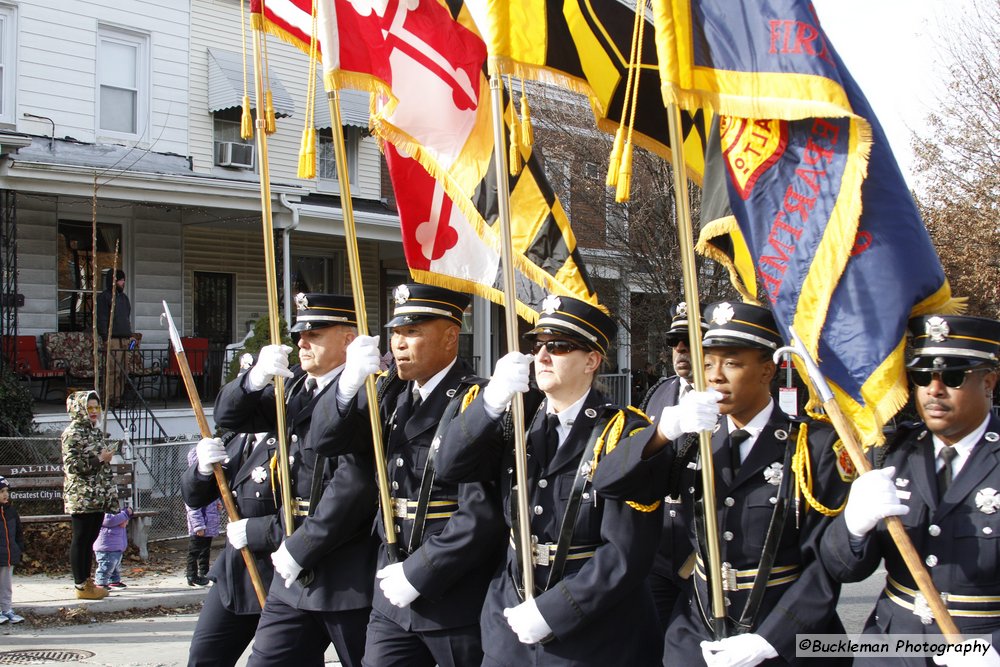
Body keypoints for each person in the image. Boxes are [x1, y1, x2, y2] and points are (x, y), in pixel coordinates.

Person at [593, 301, 852, 666]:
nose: (715, 375)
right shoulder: (692, 436)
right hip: (697, 630)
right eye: (709, 361)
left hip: (786, 634)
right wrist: (661, 433)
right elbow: (610, 484)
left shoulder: (812, 447)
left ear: (767, 369)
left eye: (731, 362)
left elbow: (824, 567)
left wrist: (769, 639)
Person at [435, 294, 663, 666]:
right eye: (538, 345)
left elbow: (626, 553)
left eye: (558, 347)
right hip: (508, 627)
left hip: (592, 636)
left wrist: (555, 611)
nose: (541, 356)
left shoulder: (623, 433)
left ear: (591, 360)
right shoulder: (515, 420)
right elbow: (450, 466)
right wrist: (491, 400)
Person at [311, 283, 505, 667]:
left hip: (453, 596)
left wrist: (419, 573)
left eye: (412, 331)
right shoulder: (389, 395)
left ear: (451, 336)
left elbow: (480, 513)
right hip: (391, 596)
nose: (398, 343)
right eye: (395, 332)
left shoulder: (477, 402)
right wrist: (347, 388)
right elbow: (324, 440)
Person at [820, 314, 1000, 667]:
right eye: (922, 377)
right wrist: (853, 528)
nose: (934, 389)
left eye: (953, 376)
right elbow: (843, 569)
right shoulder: (891, 453)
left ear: (989, 381)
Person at [213, 293, 377, 667]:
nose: (301, 342)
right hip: (292, 577)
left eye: (315, 333)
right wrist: (253, 380)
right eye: (300, 333)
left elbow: (354, 483)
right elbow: (230, 417)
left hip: (346, 573)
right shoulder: (295, 390)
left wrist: (299, 547)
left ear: (349, 339)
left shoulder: (367, 390)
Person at [182, 430, 281, 667]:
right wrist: (202, 470)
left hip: (281, 573)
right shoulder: (235, 438)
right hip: (236, 572)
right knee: (203, 657)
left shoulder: (293, 434)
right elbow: (194, 497)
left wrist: (259, 530)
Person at [638, 301, 706, 636]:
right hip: (659, 549)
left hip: (705, 555)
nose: (679, 348)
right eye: (673, 342)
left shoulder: (728, 398)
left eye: (689, 339)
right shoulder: (659, 393)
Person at [61, 390, 118, 600]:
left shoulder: (94, 432)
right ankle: (80, 584)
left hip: (98, 494)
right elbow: (72, 465)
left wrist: (106, 457)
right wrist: (100, 459)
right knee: (82, 538)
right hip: (82, 495)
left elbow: (99, 458)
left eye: (96, 407)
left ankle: (88, 581)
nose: (94, 412)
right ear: (79, 410)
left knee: (92, 538)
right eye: (89, 408)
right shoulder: (72, 433)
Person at [96, 269, 133, 407]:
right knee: (112, 370)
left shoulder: (124, 299)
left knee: (123, 370)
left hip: (125, 339)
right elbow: (102, 319)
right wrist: (105, 338)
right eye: (121, 280)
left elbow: (127, 315)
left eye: (123, 280)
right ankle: (108, 398)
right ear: (114, 281)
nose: (123, 283)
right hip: (112, 339)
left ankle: (118, 398)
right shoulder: (104, 297)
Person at [183, 449, 221, 587]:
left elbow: (212, 498)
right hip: (199, 526)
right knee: (194, 551)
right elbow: (193, 507)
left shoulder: (209, 481)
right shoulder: (193, 483)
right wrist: (199, 526)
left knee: (205, 549)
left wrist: (218, 504)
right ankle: (191, 574)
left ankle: (204, 572)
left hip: (209, 523)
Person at [0, 476, 26, 625]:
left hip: (9, 555)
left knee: (6, 585)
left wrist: (18, 547)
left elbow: (18, 532)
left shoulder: (11, 511)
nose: (5, 494)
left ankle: (7, 609)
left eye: (6, 491)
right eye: (1, 491)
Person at [93, 504, 133, 590]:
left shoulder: (118, 515)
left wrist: (125, 518)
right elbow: (110, 521)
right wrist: (126, 514)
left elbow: (119, 520)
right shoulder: (103, 514)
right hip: (106, 547)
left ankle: (114, 581)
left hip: (116, 546)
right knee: (106, 566)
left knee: (115, 566)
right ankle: (100, 582)